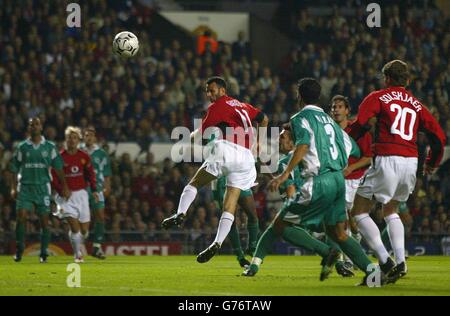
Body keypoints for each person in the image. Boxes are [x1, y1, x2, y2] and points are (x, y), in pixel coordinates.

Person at [263, 78, 380, 286]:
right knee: (339, 233)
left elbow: (303, 145)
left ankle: (325, 252)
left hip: (318, 181)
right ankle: (373, 273)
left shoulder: (300, 118)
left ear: (299, 95)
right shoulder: (329, 121)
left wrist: (284, 174)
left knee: (280, 225)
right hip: (337, 181)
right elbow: (353, 148)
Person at [349, 60, 446, 278]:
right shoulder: (418, 105)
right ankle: (401, 262)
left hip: (387, 157)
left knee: (359, 211)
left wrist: (346, 143)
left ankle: (385, 261)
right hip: (410, 162)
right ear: (408, 81)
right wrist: (431, 162)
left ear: (387, 79)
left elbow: (362, 122)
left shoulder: (378, 97)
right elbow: (439, 137)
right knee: (391, 211)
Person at [162, 76, 268, 263]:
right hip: (246, 160)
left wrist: (189, 139)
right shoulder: (243, 106)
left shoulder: (218, 106)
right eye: (207, 91)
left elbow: (201, 133)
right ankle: (217, 243)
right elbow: (264, 119)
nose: (209, 94)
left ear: (222, 90)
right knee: (230, 207)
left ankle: (180, 213)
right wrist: (259, 142)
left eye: (212, 90)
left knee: (195, 182)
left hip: (228, 150)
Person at [242, 123, 354, 280]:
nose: (279, 140)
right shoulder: (312, 157)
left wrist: (290, 205)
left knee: (280, 228)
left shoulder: (284, 163)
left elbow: (290, 190)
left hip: (306, 205)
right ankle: (342, 265)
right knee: (332, 229)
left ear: (292, 142)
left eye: (282, 137)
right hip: (327, 201)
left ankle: (327, 252)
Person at [9, 117, 70, 263]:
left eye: (36, 124)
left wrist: (65, 186)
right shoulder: (22, 147)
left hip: (43, 188)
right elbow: (14, 167)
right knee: (21, 216)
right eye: (31, 125)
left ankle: (43, 253)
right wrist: (12, 187)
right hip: (25, 187)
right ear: (28, 128)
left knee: (44, 221)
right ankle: (19, 248)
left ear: (41, 127)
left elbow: (59, 168)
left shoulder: (49, 147)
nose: (34, 127)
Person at [331, 95, 373, 270]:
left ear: (347, 110)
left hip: (356, 180)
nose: (336, 110)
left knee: (354, 223)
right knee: (341, 221)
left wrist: (350, 168)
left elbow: (369, 157)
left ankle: (358, 248)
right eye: (334, 107)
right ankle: (348, 259)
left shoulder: (358, 131)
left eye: (340, 107)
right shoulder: (329, 131)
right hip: (337, 180)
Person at [52, 126, 99, 263]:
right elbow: (53, 178)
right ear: (65, 140)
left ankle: (79, 242)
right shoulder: (59, 158)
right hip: (66, 197)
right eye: (69, 138)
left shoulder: (84, 156)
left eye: (74, 138)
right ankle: (77, 254)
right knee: (74, 227)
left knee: (84, 230)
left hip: (82, 195)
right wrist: (62, 190)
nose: (71, 140)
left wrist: (95, 190)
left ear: (79, 140)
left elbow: (91, 174)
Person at [211, 176, 259, 268]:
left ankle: (252, 248)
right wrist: (216, 196)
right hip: (222, 184)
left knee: (253, 216)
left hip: (240, 180)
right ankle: (240, 256)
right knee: (231, 222)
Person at [82, 126, 112, 260]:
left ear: (95, 138)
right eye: (86, 135)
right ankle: (82, 238)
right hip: (81, 187)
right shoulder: (79, 152)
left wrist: (108, 187)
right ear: (83, 137)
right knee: (81, 217)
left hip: (97, 187)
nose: (89, 137)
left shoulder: (101, 153)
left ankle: (97, 246)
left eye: (91, 135)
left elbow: (106, 173)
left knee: (100, 215)